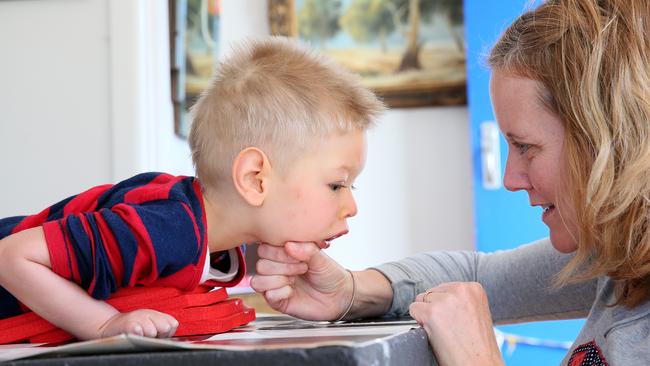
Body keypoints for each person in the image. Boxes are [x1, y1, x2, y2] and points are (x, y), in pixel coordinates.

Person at [250, 1, 650, 365]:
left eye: (526, 146)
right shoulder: (615, 261)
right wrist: (349, 291)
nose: (511, 179)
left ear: (608, 141)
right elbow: (479, 275)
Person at [0, 37, 384, 341]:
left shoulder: (219, 240)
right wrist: (104, 326)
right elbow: (11, 257)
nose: (351, 206)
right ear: (255, 179)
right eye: (337, 184)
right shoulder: (166, 229)